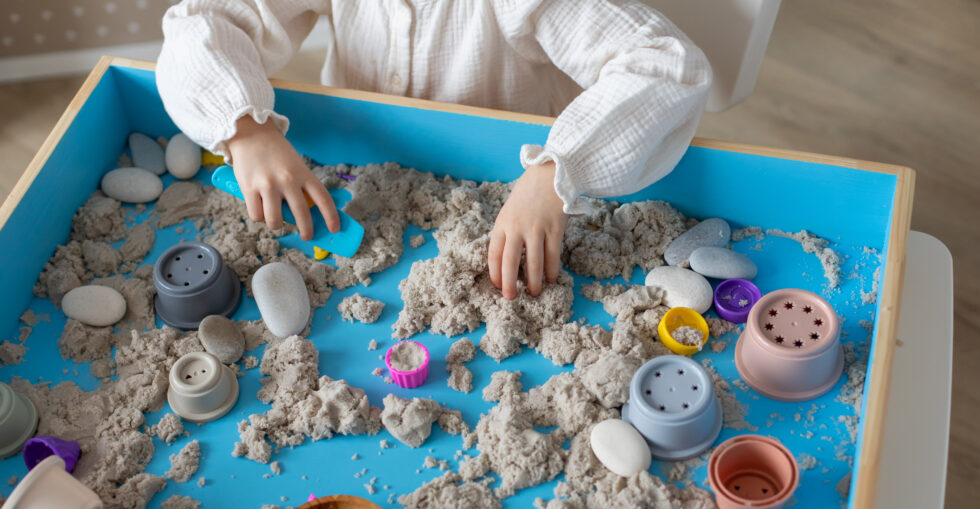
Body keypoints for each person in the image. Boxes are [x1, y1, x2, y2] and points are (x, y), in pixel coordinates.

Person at [156, 0, 711, 299]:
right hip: (363, 153)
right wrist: (245, 129)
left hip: (506, 178)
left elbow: (667, 62)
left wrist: (557, 170)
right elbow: (202, 21)